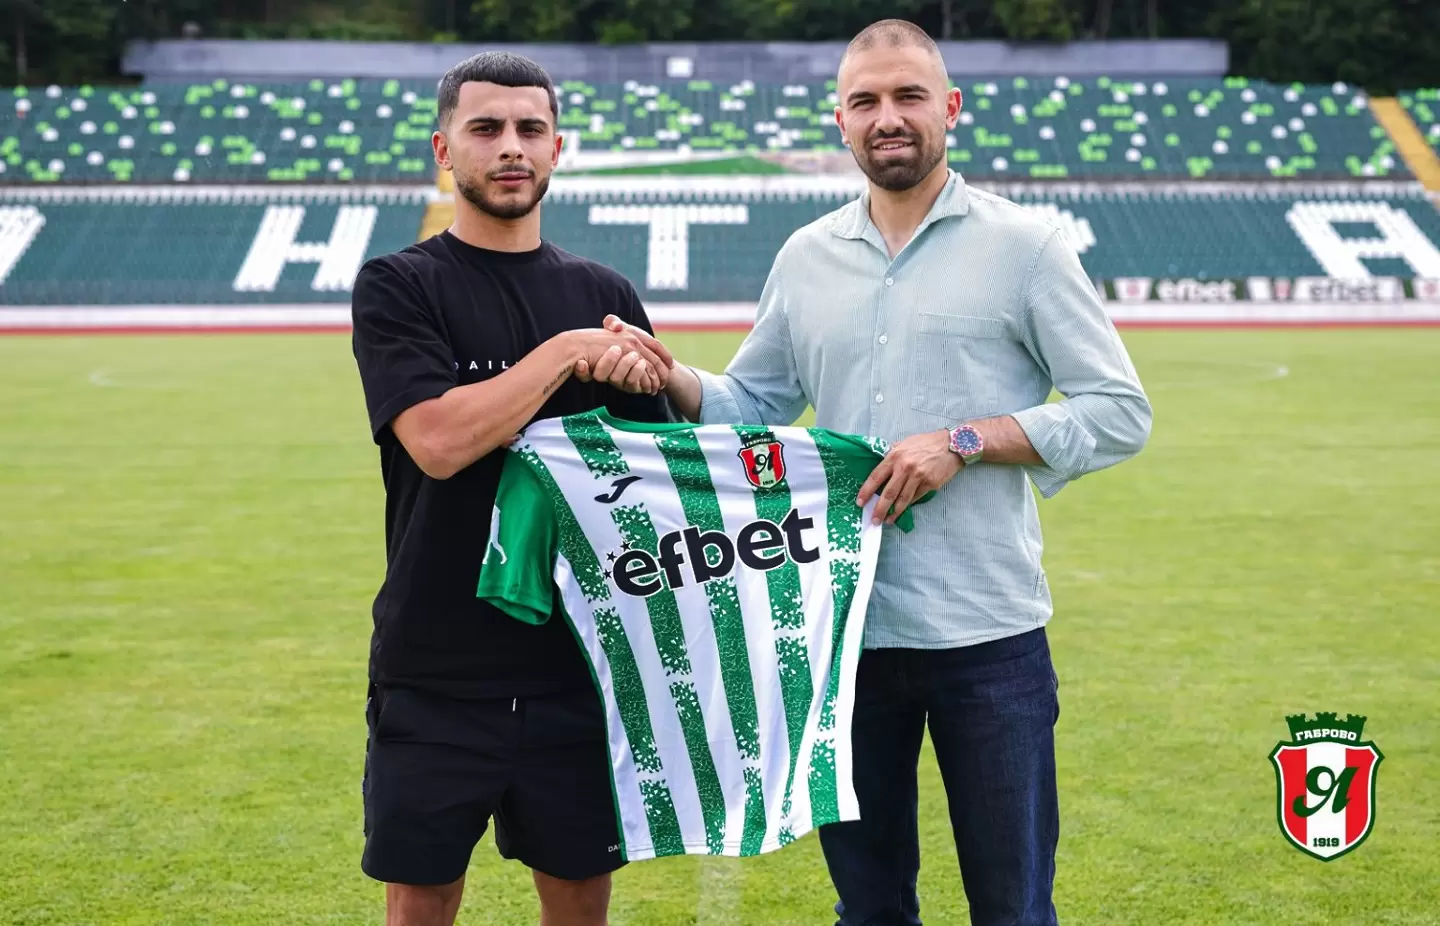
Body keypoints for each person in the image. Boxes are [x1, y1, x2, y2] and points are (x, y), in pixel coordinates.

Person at [605, 19, 1153, 926]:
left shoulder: (1027, 247)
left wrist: (965, 440)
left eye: (908, 96)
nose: (887, 117)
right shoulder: (806, 256)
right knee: (868, 909)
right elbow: (754, 402)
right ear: (841, 120)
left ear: (951, 107)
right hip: (842, 633)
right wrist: (673, 377)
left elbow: (1119, 410)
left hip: (988, 635)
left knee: (1014, 908)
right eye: (865, 101)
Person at [349, 51, 679, 926]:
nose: (511, 147)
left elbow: (657, 486)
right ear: (443, 148)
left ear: (557, 148)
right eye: (486, 128)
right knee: (422, 903)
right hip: (435, 666)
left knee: (578, 904)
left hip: (580, 665)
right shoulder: (399, 285)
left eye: (531, 129)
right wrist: (567, 353)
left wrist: (650, 381)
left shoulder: (604, 294)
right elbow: (439, 442)